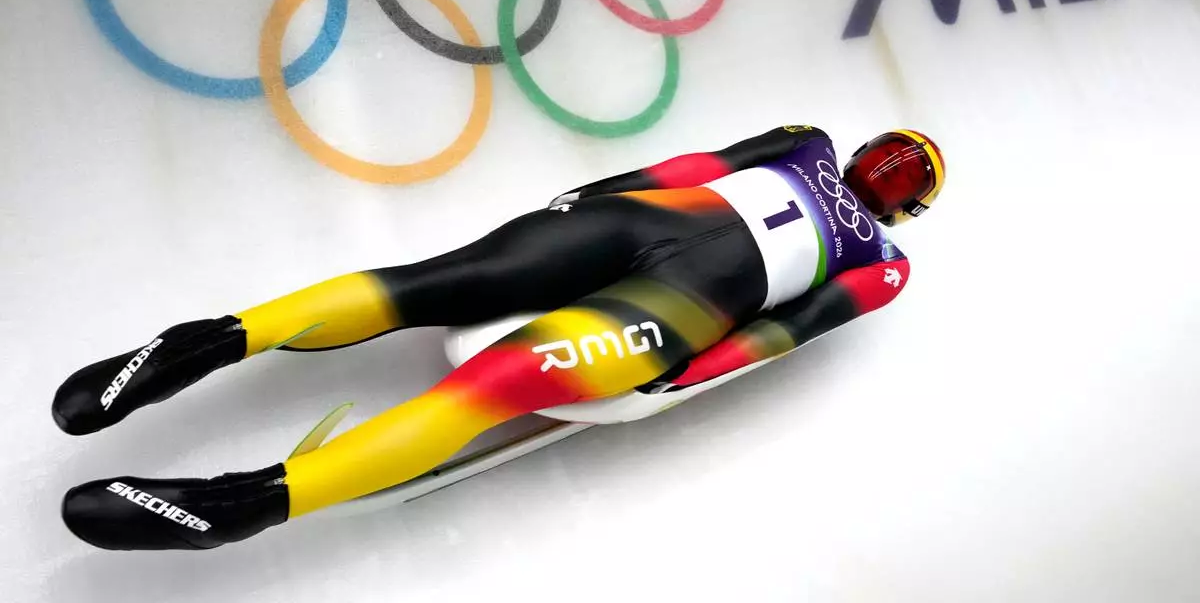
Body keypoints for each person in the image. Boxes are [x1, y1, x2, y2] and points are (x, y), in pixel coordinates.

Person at [53, 124, 945, 551]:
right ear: (905, 204)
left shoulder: (809, 141)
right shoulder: (888, 261)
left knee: (430, 287)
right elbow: (786, 331)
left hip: (625, 224)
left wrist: (585, 199)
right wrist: (686, 378)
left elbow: (688, 172)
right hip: (683, 302)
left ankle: (199, 346)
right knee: (486, 384)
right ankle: (245, 502)